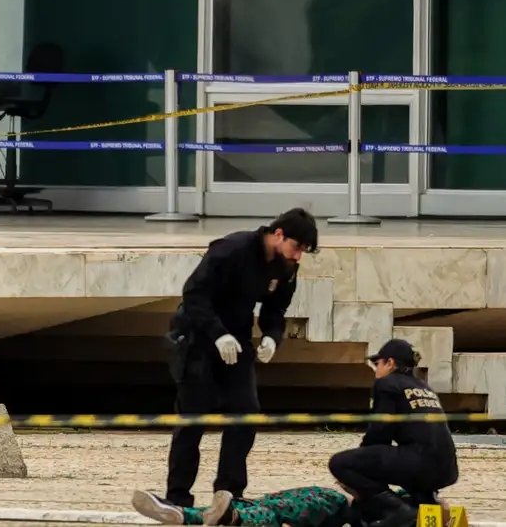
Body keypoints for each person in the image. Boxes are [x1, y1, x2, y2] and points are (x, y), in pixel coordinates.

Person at [163, 208, 319, 507]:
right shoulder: (232, 249)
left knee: (245, 414)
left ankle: (229, 492)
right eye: (297, 247)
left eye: (304, 252)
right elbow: (194, 294)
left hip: (238, 340)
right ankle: (178, 496)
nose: (298, 256)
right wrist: (217, 333)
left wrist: (273, 337)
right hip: (197, 335)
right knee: (193, 419)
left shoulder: (286, 267)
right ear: (278, 234)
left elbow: (276, 310)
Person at [328, 338, 459, 527]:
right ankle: (426, 505)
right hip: (447, 469)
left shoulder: (387, 384)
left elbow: (380, 430)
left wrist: (360, 465)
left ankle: (397, 509)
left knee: (340, 463)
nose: (376, 369)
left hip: (420, 462)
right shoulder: (424, 387)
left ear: (390, 363)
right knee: (405, 463)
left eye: (377, 363)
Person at [133, 486, 352, 527]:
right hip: (333, 505)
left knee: (272, 509)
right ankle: (182, 515)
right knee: (266, 507)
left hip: (337, 504)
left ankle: (185, 515)